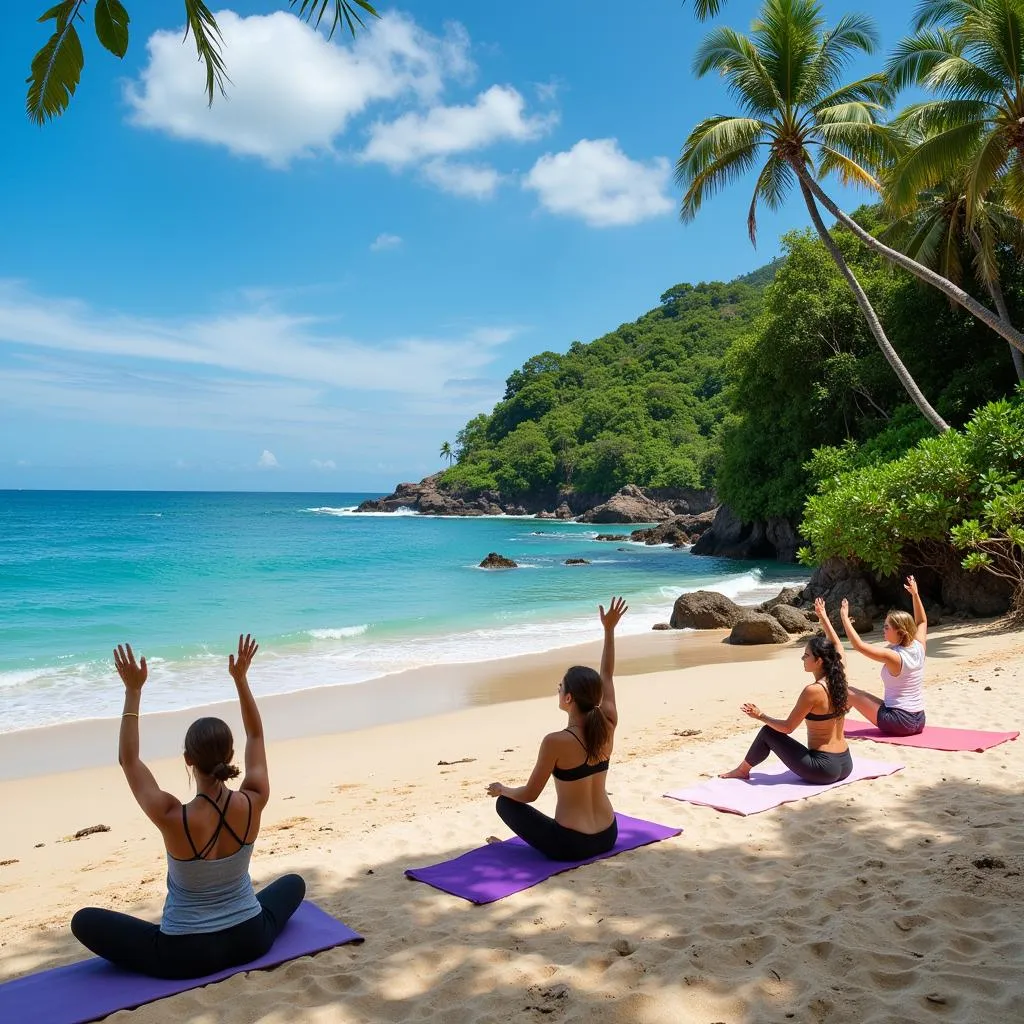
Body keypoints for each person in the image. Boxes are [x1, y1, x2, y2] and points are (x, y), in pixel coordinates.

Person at [71, 634, 305, 980]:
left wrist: (133, 691)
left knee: (84, 921)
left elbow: (129, 760)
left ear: (187, 759)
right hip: (252, 937)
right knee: (295, 883)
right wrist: (241, 680)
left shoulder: (172, 817)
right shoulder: (254, 799)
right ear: (229, 756)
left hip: (186, 954)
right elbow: (256, 736)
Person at [485, 596, 627, 860]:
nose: (558, 690)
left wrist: (501, 788)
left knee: (505, 804)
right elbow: (606, 675)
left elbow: (529, 795)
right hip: (609, 835)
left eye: (560, 687)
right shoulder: (608, 722)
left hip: (572, 845)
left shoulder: (555, 741)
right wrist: (609, 630)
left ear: (569, 698)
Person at [720, 626, 852, 785]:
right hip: (845, 763)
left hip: (823, 769)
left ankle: (742, 771)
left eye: (806, 655)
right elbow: (838, 648)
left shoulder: (813, 691)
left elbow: (788, 728)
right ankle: (742, 770)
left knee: (768, 732)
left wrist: (760, 715)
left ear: (819, 661)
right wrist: (823, 618)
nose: (802, 659)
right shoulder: (840, 682)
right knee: (771, 731)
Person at [834, 575, 928, 736]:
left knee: (845, 690)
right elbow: (921, 622)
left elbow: (859, 646)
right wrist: (915, 595)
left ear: (899, 631)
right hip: (919, 720)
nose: (883, 630)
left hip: (900, 722)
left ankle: (833, 722)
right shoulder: (919, 646)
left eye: (886, 628)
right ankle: (837, 718)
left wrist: (844, 618)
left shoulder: (894, 656)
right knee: (858, 694)